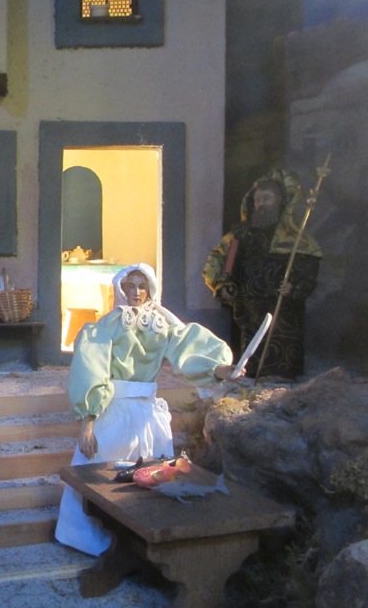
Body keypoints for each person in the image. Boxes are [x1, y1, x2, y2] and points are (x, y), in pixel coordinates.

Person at [55, 263, 242, 556]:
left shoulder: (162, 324)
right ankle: (91, 534)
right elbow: (91, 370)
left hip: (147, 413)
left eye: (142, 286)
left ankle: (145, 540)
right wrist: (87, 423)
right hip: (114, 410)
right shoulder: (107, 326)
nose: (136, 292)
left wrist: (219, 368)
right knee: (102, 474)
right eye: (130, 286)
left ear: (150, 289)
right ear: (121, 289)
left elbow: (187, 349)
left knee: (153, 474)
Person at [203, 169, 322, 379]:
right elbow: (226, 262)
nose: (261, 204)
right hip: (247, 308)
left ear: (280, 201)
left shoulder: (295, 238)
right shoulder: (240, 234)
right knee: (249, 352)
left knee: (281, 353)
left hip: (283, 310)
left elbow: (308, 272)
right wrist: (225, 284)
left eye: (266, 199)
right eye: (258, 199)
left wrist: (294, 287)